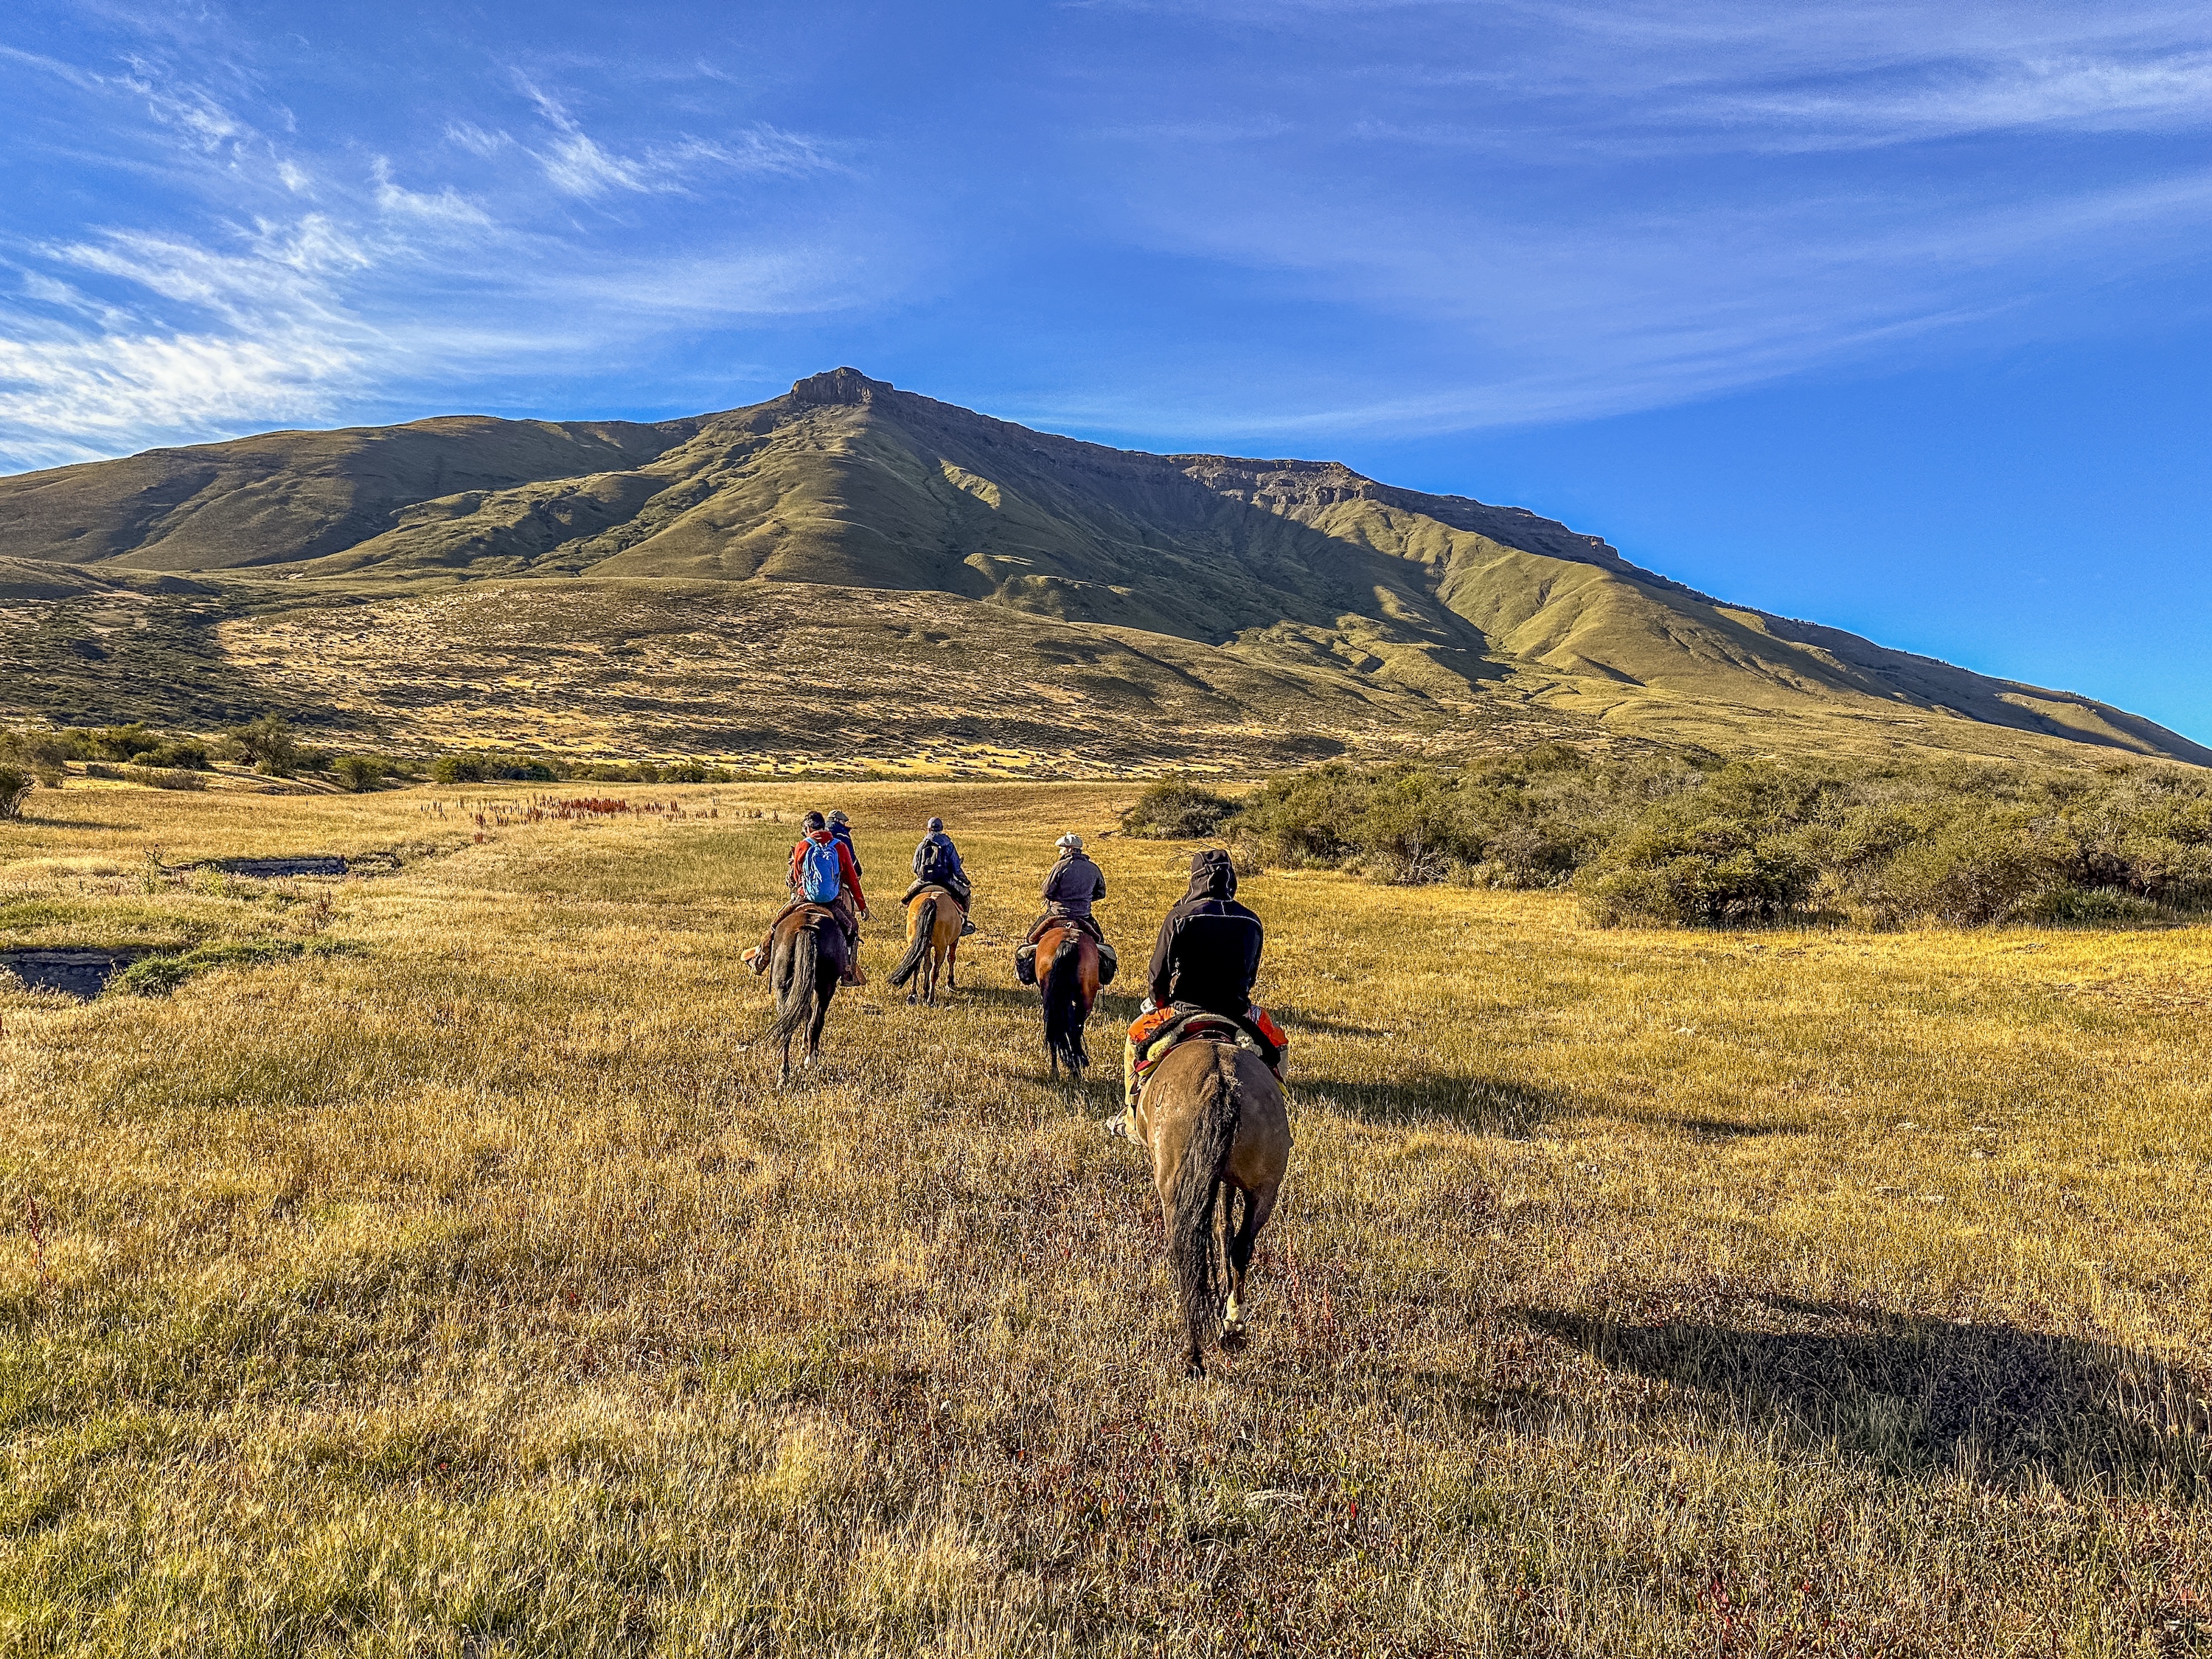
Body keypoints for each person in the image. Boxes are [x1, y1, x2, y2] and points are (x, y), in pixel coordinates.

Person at [1121, 849, 1281, 1117]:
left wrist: (1159, 1001)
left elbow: (1159, 972)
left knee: (1134, 1038)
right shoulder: (1251, 920)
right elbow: (1250, 974)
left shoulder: (1180, 916)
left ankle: (1131, 1115)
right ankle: (1278, 1105)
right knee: (1277, 1045)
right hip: (1236, 1011)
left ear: (1195, 879)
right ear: (1231, 880)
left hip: (1186, 1007)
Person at [745, 810, 868, 984]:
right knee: (852, 928)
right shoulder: (840, 846)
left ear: (808, 828)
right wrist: (862, 906)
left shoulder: (802, 846)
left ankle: (760, 961)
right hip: (832, 901)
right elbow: (852, 878)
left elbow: (796, 877)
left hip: (805, 898)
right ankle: (848, 971)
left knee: (776, 925)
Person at [1015, 832, 1113, 984]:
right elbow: (1101, 893)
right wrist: (1084, 899)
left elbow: (1047, 891)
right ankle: (1102, 977)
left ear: (1068, 849)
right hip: (1084, 916)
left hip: (1057, 914)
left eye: (1061, 849)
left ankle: (1027, 973)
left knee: (1030, 939)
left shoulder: (1060, 866)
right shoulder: (1093, 868)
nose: (1060, 852)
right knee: (1100, 942)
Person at [902, 815, 977, 933]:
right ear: (941, 829)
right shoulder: (948, 845)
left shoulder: (922, 845)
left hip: (924, 881)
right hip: (945, 881)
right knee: (966, 894)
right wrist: (966, 881)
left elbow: (915, 868)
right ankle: (964, 924)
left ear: (928, 829)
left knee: (906, 898)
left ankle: (910, 921)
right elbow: (957, 869)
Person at [827, 810, 862, 883]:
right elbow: (850, 854)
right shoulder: (842, 833)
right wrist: (858, 870)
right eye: (843, 821)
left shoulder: (821, 830)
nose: (844, 824)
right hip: (839, 870)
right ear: (837, 820)